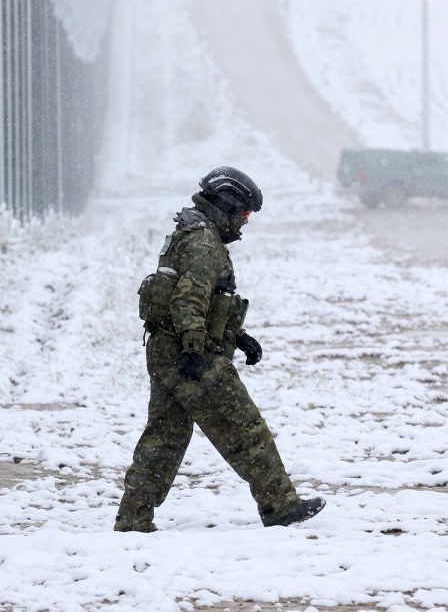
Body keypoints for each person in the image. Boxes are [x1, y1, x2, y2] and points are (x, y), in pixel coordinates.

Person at [115, 166, 325, 532]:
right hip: (189, 353)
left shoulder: (192, 234)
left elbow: (203, 301)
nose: (244, 223)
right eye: (244, 214)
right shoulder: (204, 244)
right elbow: (188, 300)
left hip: (167, 350)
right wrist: (195, 351)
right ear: (226, 205)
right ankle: (280, 507)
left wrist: (238, 336)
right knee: (244, 429)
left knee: (164, 438)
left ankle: (133, 518)